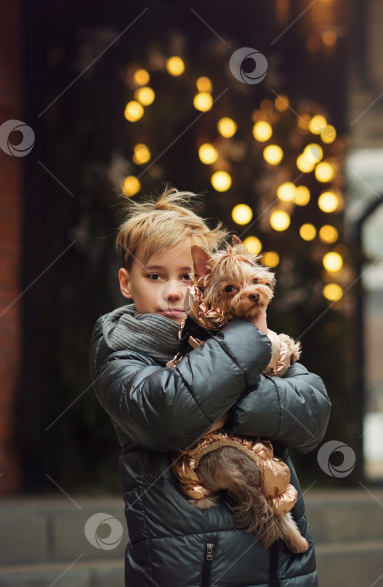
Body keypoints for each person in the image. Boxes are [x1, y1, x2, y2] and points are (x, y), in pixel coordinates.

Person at [89, 186, 331, 587]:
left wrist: (228, 410)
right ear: (126, 283)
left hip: (281, 568)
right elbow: (172, 413)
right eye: (154, 276)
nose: (173, 291)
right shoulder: (121, 352)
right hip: (190, 571)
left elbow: (313, 415)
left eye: (187, 276)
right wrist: (253, 340)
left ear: (204, 279)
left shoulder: (237, 333)